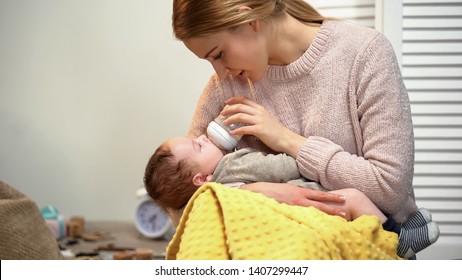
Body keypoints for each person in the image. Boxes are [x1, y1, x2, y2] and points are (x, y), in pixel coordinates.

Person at [173, 0, 418, 226]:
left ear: (248, 20)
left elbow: (389, 189)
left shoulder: (364, 53)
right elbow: (178, 199)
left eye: (218, 54)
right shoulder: (225, 87)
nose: (220, 71)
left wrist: (286, 140)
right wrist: (254, 194)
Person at [144, 135, 439, 259]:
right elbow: (281, 166)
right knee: (352, 198)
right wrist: (295, 152)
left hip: (290, 223)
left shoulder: (208, 199)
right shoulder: (232, 164)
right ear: (202, 179)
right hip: (312, 199)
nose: (204, 137)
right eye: (198, 146)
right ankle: (399, 239)